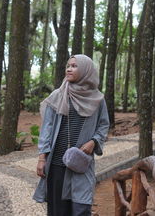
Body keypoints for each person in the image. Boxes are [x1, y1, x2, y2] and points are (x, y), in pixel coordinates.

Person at [33, 54, 110, 216]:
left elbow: (103, 124)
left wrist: (94, 141)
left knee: (81, 207)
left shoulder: (97, 99)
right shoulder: (58, 95)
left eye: (74, 66)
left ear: (85, 70)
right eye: (68, 65)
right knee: (58, 210)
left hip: (81, 163)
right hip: (56, 164)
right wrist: (42, 158)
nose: (69, 69)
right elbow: (46, 128)